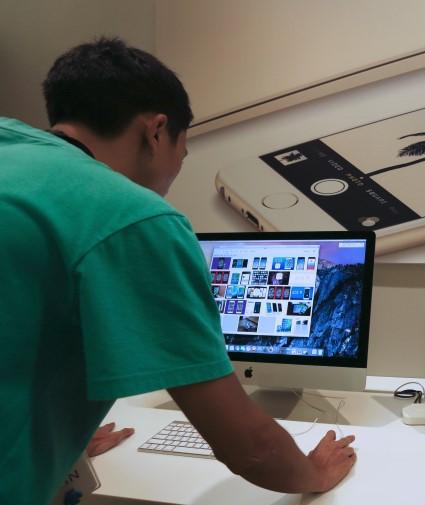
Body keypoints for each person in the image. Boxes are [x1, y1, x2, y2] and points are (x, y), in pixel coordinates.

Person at [0, 38, 355, 505]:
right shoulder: (131, 215)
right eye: (182, 156)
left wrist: (57, 435)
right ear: (156, 131)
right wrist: (314, 473)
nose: (171, 179)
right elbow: (249, 447)